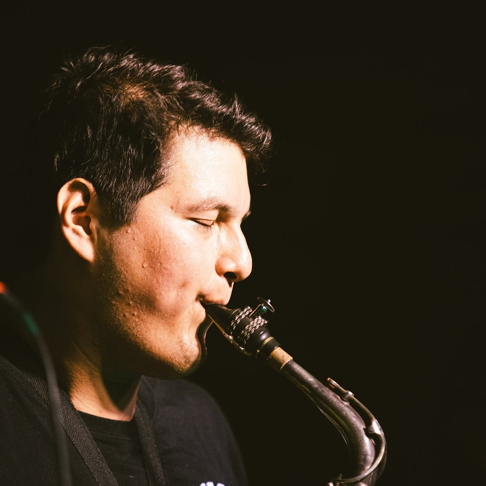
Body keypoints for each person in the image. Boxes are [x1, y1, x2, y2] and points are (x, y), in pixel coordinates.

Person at [0, 45, 272, 485]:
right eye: (206, 221)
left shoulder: (199, 421)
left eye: (240, 223)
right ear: (83, 220)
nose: (242, 263)